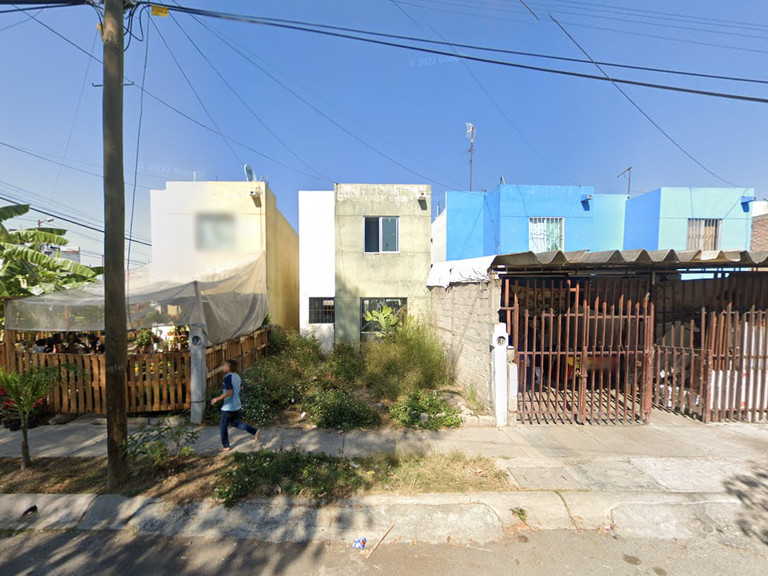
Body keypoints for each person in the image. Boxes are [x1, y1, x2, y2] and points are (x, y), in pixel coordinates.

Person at [210, 359, 259, 451]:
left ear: (228, 368)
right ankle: (254, 431)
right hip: (236, 404)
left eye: (224, 366)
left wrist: (217, 398)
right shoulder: (237, 376)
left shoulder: (228, 378)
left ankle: (226, 446)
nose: (223, 367)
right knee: (235, 423)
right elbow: (241, 387)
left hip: (229, 406)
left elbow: (229, 392)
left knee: (223, 425)